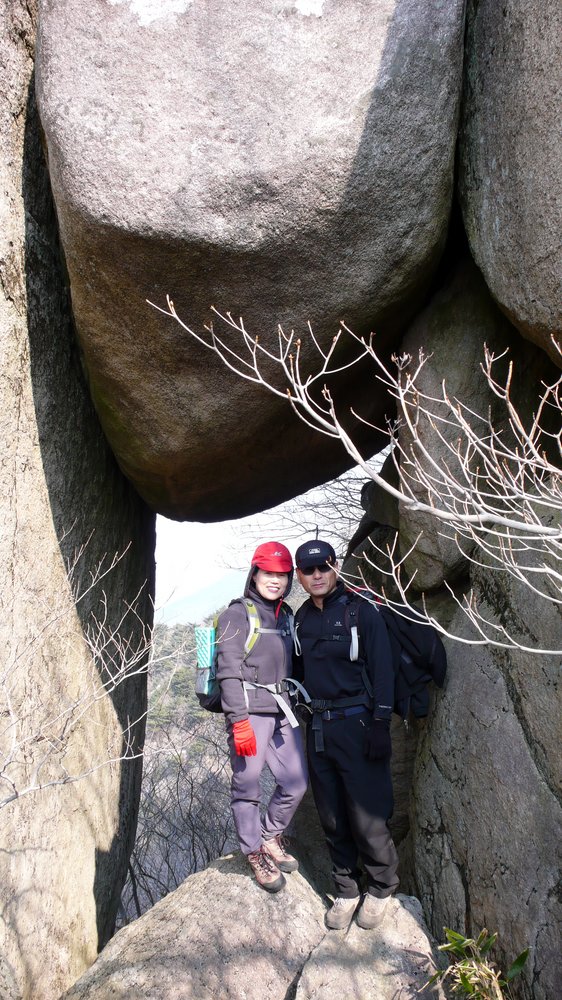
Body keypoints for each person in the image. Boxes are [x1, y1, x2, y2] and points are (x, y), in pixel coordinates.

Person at [293, 538, 399, 930]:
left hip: (358, 723)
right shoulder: (301, 618)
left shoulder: (360, 612)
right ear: (299, 577)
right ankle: (346, 889)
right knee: (332, 813)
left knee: (366, 813)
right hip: (319, 728)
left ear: (335, 567)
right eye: (308, 570)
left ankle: (383, 885)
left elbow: (384, 670)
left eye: (323, 567)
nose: (317, 575)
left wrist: (380, 723)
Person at [216, 541, 308, 893]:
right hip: (250, 712)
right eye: (268, 573)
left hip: (282, 709)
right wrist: (238, 721)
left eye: (282, 575)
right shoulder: (237, 614)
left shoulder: (285, 615)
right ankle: (254, 851)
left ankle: (270, 835)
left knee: (296, 781)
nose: (275, 581)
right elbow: (228, 672)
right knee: (248, 785)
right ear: (254, 574)